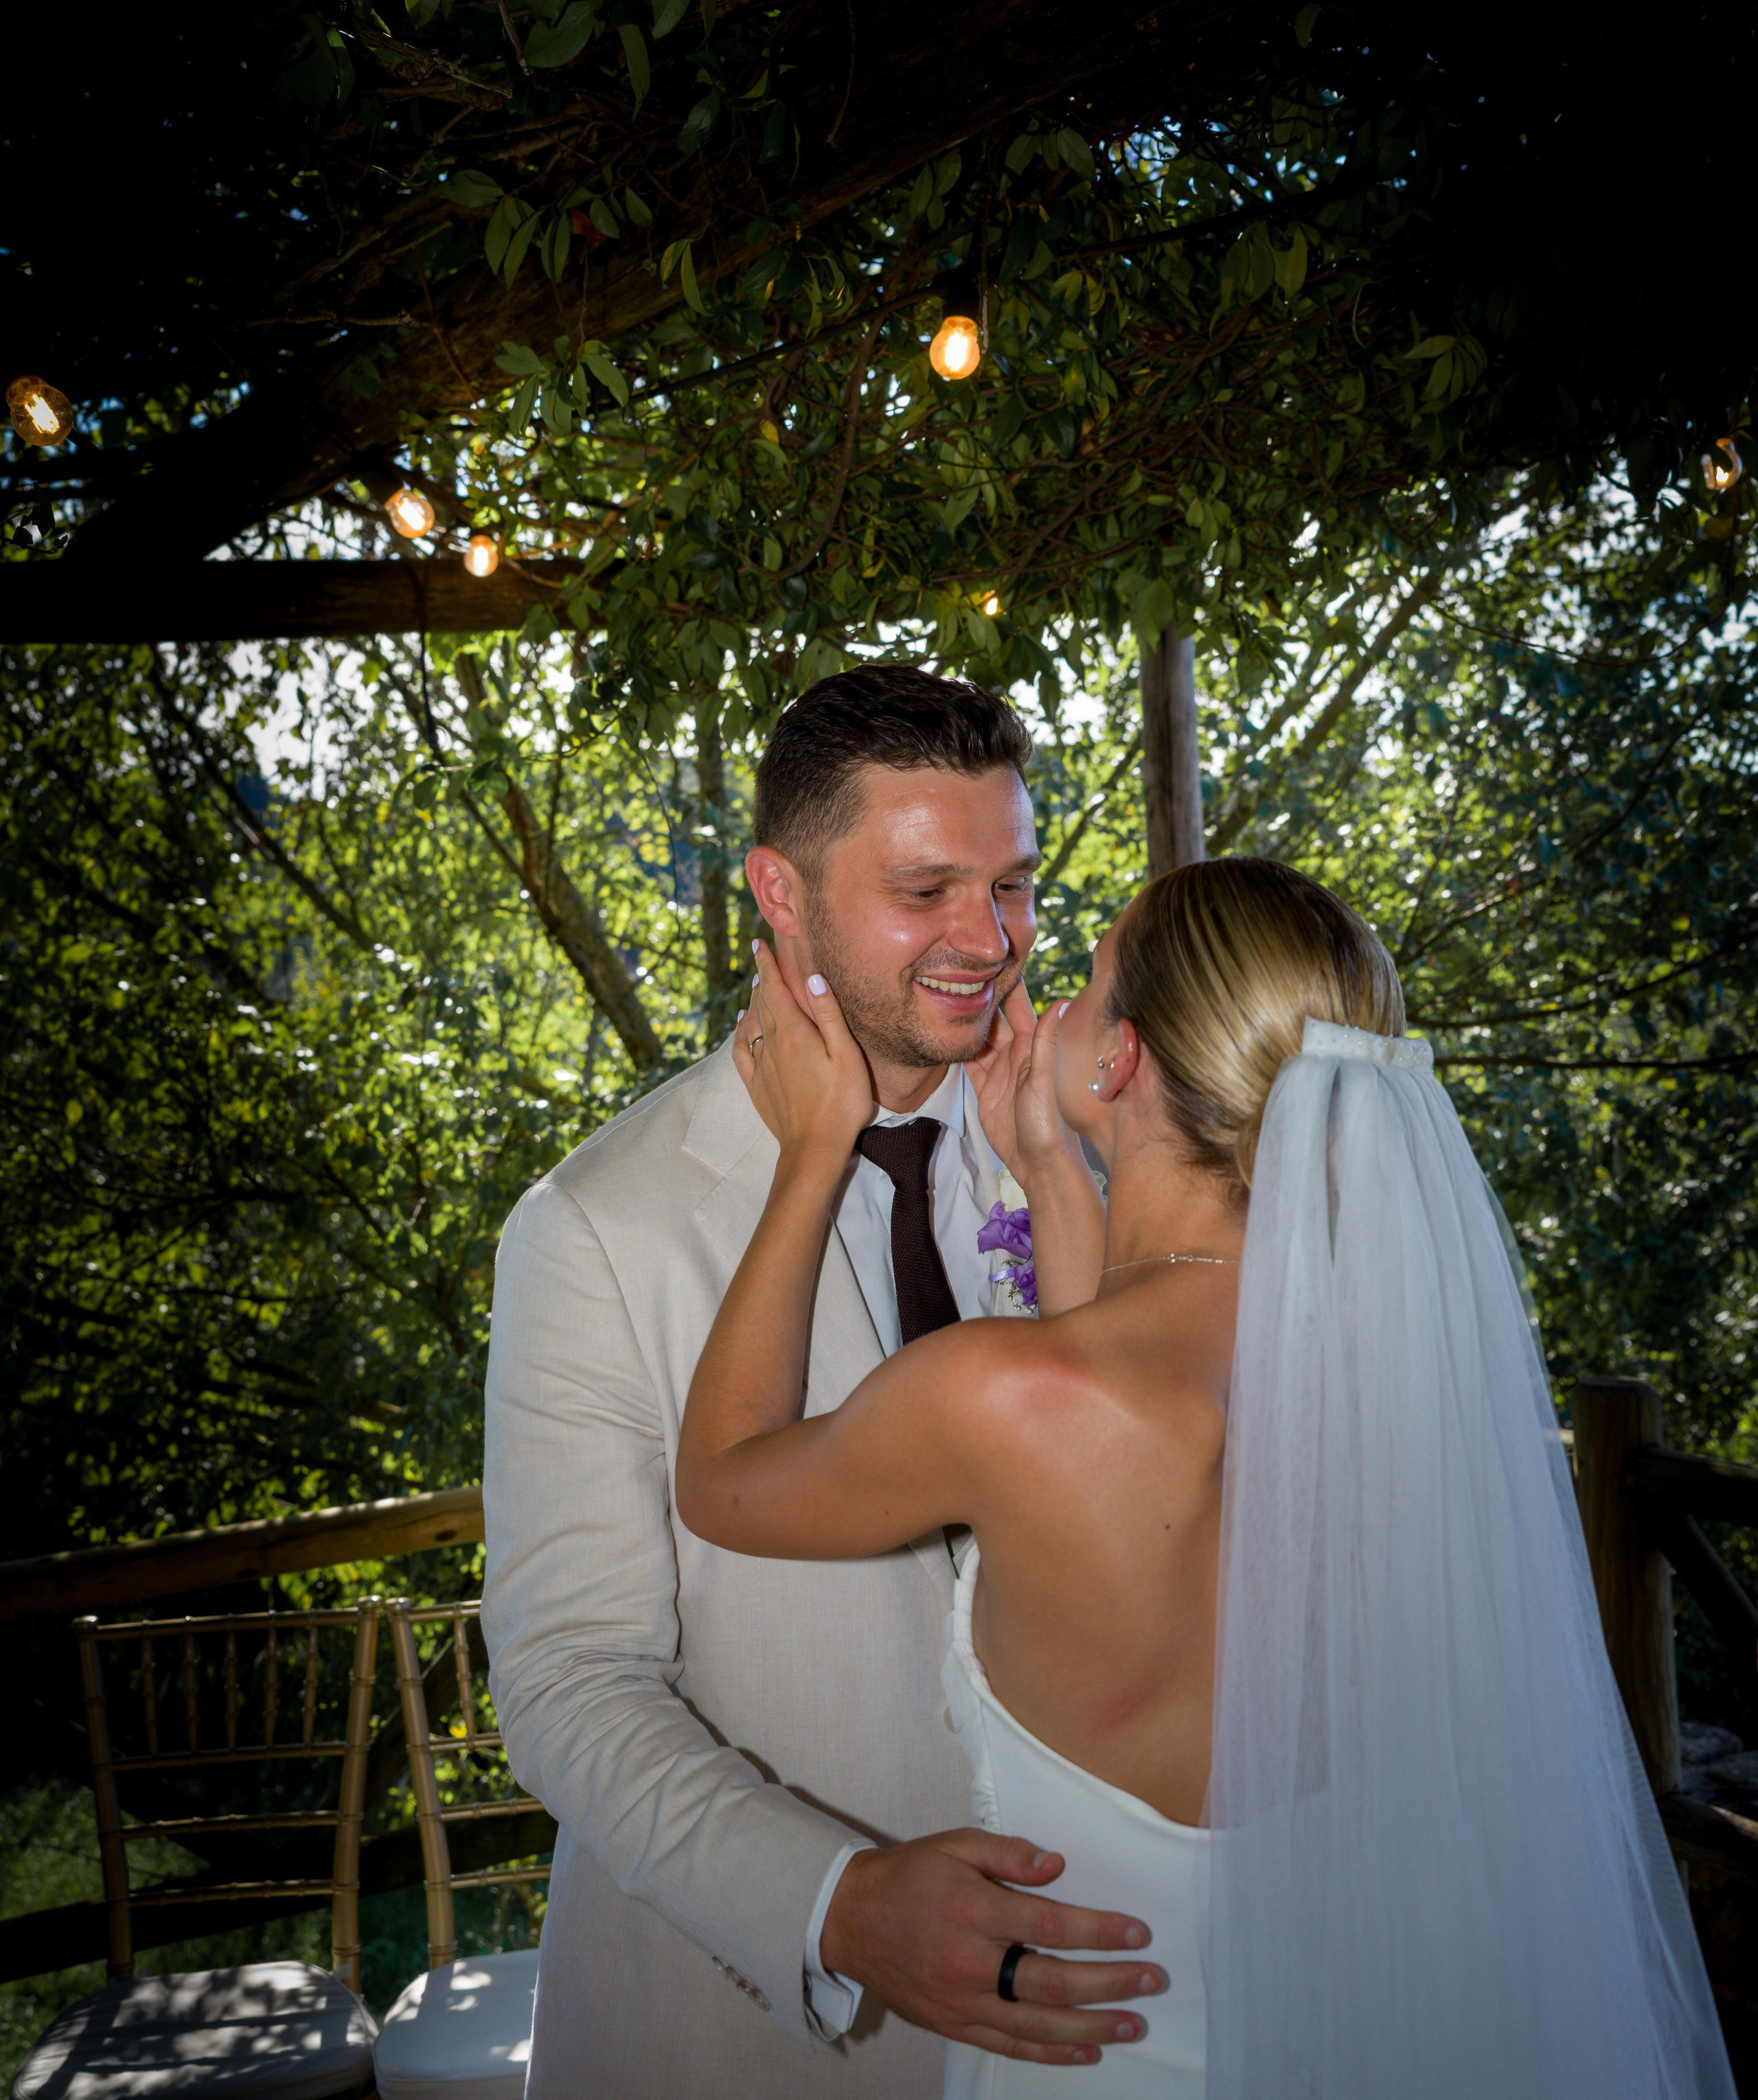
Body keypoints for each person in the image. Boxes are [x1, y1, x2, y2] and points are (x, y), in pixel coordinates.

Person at [676, 856, 1737, 2099]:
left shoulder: (999, 1398)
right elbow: (1143, 1443)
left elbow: (723, 1480)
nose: (1043, 996)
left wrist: (815, 1151)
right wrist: (1058, 1176)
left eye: (1084, 984)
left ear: (1120, 1061)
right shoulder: (1390, 1382)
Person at [481, 665, 1159, 2100]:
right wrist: (835, 1901)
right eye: (926, 891)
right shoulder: (596, 1224)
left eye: (1015, 884)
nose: (988, 940)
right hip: (742, 2041)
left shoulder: (1096, 1163)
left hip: (1085, 2008)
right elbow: (566, 1682)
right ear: (779, 895)